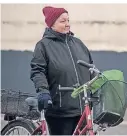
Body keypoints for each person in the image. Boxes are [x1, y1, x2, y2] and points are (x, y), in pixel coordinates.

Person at [30, 6, 94, 135]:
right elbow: (38, 71)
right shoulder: (43, 45)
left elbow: (91, 67)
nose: (67, 24)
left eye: (68, 20)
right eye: (63, 21)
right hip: (60, 108)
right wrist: (43, 91)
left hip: (82, 107)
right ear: (52, 24)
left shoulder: (78, 43)